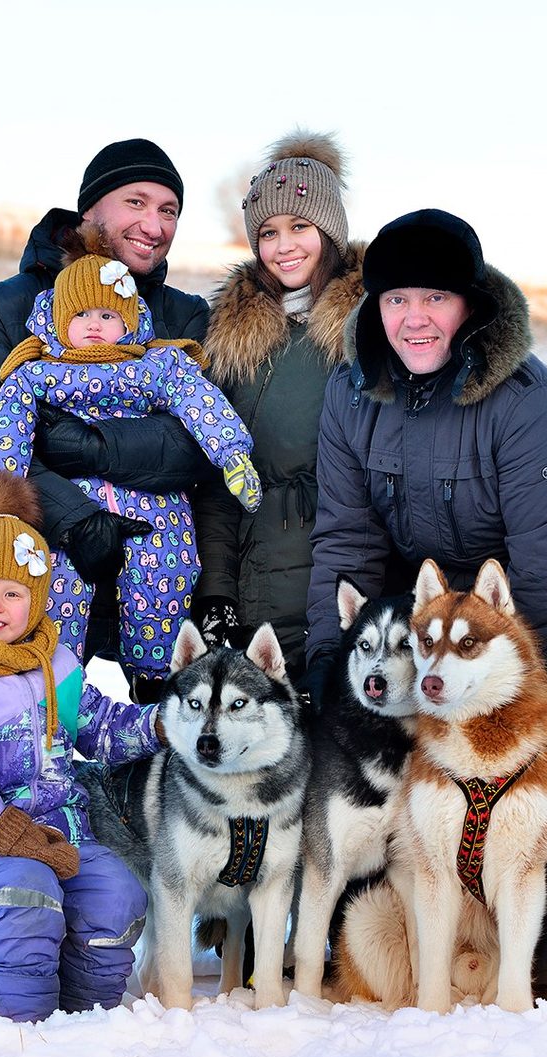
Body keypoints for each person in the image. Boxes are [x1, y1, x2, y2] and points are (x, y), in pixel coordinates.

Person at [303, 208, 547, 1001]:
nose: (415, 318)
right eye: (396, 300)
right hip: (429, 608)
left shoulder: (525, 401)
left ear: (471, 306)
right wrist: (332, 656)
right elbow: (345, 535)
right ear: (373, 309)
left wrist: (488, 685)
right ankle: (398, 951)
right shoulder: (352, 395)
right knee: (402, 762)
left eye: (436, 299)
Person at [0, 139, 213, 695]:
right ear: (90, 210)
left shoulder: (186, 316)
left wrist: (90, 447)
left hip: (160, 568)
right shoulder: (3, 308)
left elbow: (201, 439)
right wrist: (77, 519)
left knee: (165, 736)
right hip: (38, 565)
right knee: (31, 728)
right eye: (136, 202)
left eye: (169, 211)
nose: (154, 225)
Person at [0, 470, 165, 1022]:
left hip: (58, 834)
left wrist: (163, 726)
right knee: (29, 893)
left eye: (13, 593)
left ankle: (86, 1019)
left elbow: (95, 726)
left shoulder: (56, 663)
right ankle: (23, 1029)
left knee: (119, 892)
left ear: (35, 600)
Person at [0, 250, 262, 685]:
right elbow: (6, 428)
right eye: (81, 313)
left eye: (107, 314)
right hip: (72, 508)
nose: (93, 324)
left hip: (153, 503)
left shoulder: (157, 365)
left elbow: (200, 402)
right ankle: (56, 674)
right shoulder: (35, 373)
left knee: (168, 568)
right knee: (55, 581)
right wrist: (0, 500)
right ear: (56, 320)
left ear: (130, 321)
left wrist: (232, 454)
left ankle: (155, 677)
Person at [192, 130, 364, 678]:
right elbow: (218, 478)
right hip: (253, 582)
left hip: (336, 578)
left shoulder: (368, 328)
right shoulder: (234, 338)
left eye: (300, 227)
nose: (283, 245)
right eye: (268, 232)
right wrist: (217, 589)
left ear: (330, 231)